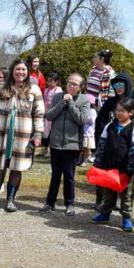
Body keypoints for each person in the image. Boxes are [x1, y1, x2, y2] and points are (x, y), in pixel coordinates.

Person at [0, 59, 45, 212]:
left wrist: (38, 134)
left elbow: (39, 115)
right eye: (18, 69)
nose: (20, 72)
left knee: (16, 168)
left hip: (22, 135)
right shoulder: (0, 88)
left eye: (23, 70)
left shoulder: (34, 90)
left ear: (27, 72)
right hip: (1, 134)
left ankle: (10, 200)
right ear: (12, 71)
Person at [39, 73, 90, 215]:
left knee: (69, 175)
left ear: (80, 87)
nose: (71, 86)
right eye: (69, 83)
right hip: (55, 143)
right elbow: (49, 115)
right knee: (55, 174)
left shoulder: (84, 100)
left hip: (72, 144)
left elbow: (82, 119)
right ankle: (50, 202)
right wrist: (62, 103)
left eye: (74, 84)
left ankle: (70, 204)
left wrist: (71, 104)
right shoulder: (57, 96)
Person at [89, 98, 134, 231]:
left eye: (122, 111)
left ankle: (126, 218)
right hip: (109, 166)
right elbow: (101, 145)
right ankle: (105, 213)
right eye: (117, 110)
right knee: (108, 192)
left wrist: (131, 169)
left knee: (126, 195)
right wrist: (98, 163)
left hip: (125, 169)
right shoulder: (109, 126)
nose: (118, 113)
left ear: (131, 113)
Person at [42, 72, 63, 143]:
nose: (48, 83)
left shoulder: (59, 90)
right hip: (47, 112)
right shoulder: (46, 90)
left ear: (56, 82)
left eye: (51, 81)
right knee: (46, 129)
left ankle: (50, 146)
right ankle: (45, 146)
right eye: (47, 81)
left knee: (52, 129)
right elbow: (45, 101)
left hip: (55, 113)